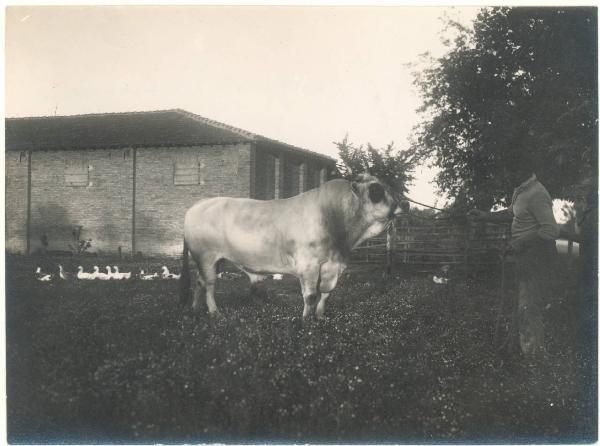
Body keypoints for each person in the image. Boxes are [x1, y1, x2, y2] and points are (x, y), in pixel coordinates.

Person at [468, 164, 559, 358]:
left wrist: (519, 242)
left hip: (537, 258)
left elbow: (551, 230)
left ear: (522, 169)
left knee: (529, 306)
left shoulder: (537, 194)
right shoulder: (521, 191)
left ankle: (534, 359)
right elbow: (512, 213)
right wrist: (485, 216)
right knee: (522, 304)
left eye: (510, 169)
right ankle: (523, 350)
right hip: (524, 256)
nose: (506, 174)